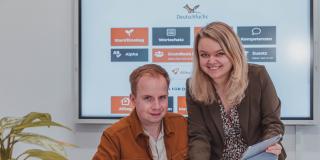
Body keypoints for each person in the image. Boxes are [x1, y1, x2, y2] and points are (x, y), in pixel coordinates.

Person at [186, 21, 286, 160]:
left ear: (233, 53)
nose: (211, 61)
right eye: (204, 55)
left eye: (220, 54)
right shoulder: (193, 86)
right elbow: (199, 135)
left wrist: (269, 145)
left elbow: (272, 123)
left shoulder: (257, 76)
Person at [93, 64, 188, 160]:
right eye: (148, 98)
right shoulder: (114, 137)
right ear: (133, 99)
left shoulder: (182, 125)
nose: (157, 106)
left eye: (162, 97)